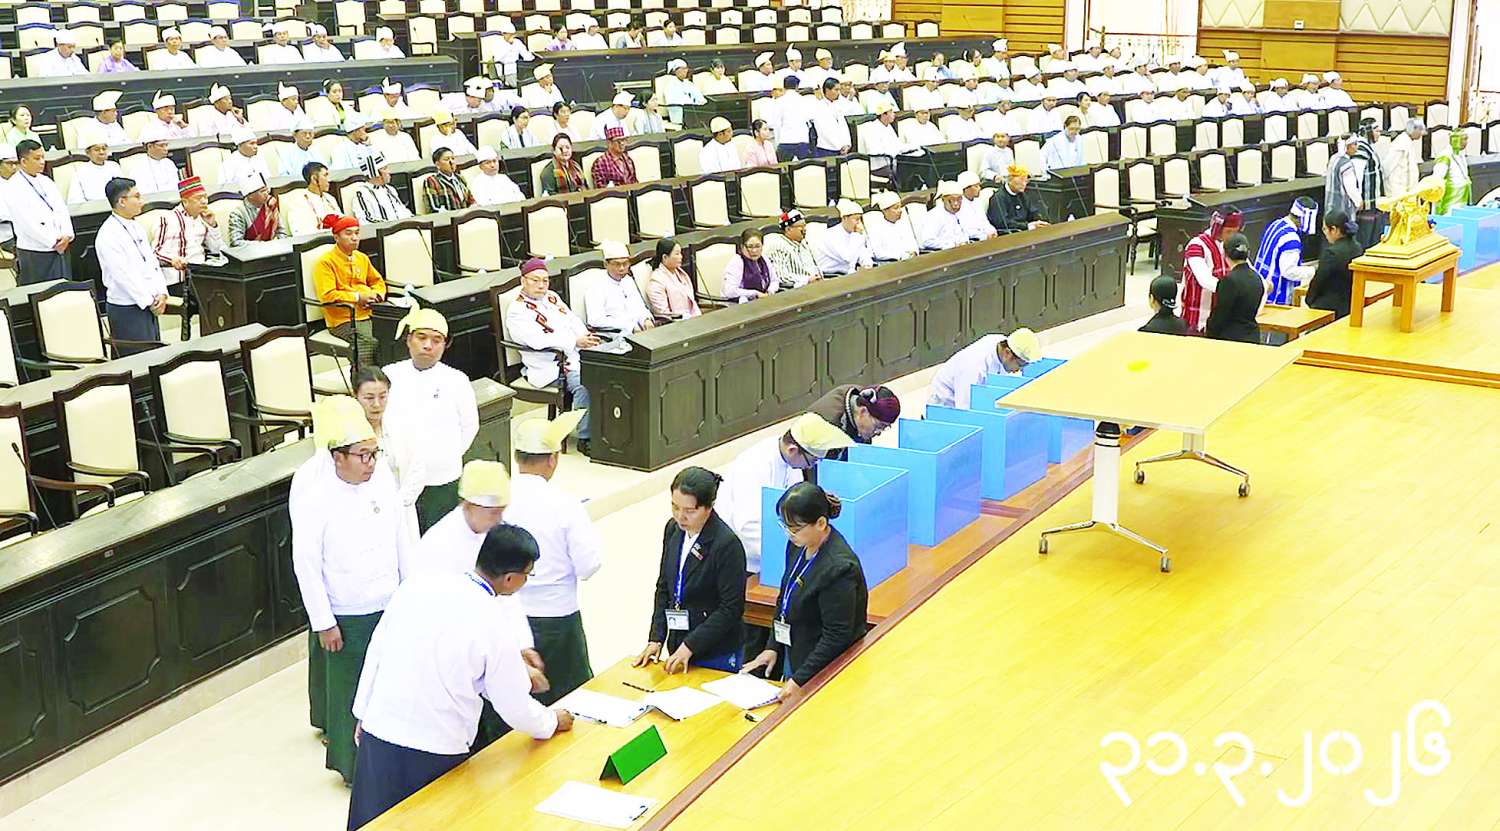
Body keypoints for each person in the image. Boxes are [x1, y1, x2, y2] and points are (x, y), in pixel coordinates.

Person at [347, 520, 570, 829]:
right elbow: (513, 706)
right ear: (510, 579)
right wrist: (551, 721)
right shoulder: (494, 622)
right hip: (434, 747)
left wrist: (362, 713)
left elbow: (377, 650)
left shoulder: (417, 586)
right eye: (527, 575)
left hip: (381, 729)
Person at [290, 395, 407, 786]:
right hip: (348, 609)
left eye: (374, 453)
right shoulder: (315, 496)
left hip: (388, 600)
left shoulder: (383, 481)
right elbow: (306, 565)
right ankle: (352, 766)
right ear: (337, 457)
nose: (370, 463)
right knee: (349, 693)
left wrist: (409, 594)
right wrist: (324, 621)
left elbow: (402, 541)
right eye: (362, 456)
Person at [505, 411, 602, 702]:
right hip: (558, 617)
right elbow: (589, 565)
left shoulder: (498, 500)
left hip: (508, 614)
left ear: (517, 457)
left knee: (516, 699)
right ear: (552, 459)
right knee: (572, 699)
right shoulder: (565, 505)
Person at [741, 482, 868, 698]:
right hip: (797, 653)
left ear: (820, 523)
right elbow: (785, 599)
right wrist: (773, 646)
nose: (789, 534)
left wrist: (800, 679)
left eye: (795, 528)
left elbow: (836, 636)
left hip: (826, 669)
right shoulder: (798, 545)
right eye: (785, 526)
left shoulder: (839, 568)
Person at [633, 467, 747, 674]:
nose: (680, 517)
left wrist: (690, 646)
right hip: (678, 644)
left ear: (708, 507)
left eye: (690, 511)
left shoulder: (727, 545)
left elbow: (730, 609)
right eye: (675, 507)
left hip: (715, 651)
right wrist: (656, 638)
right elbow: (664, 587)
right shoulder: (673, 529)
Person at [718, 413, 853, 573]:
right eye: (812, 461)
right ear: (793, 450)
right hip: (744, 559)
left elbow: (796, 506)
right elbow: (749, 527)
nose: (811, 467)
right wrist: (789, 556)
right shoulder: (754, 467)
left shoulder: (790, 460)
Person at [383, 308, 478, 534]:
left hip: (441, 477)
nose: (428, 345)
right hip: (399, 475)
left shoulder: (457, 380)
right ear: (409, 340)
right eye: (421, 337)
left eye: (436, 340)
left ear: (445, 345)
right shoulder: (390, 375)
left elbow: (470, 426)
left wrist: (445, 455)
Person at [506, 259, 597, 451]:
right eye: (535, 280)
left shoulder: (552, 297)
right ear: (523, 281)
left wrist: (585, 337)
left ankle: (605, 431)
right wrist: (574, 341)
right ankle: (585, 438)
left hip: (576, 354)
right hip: (550, 364)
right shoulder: (517, 311)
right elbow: (536, 341)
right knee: (586, 383)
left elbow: (573, 320)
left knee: (610, 372)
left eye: (545, 281)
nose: (541, 285)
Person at [96, 177, 166, 351]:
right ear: (122, 201)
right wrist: (149, 300)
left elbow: (152, 263)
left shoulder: (136, 226)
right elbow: (123, 275)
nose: (142, 201)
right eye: (137, 196)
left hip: (150, 302)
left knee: (155, 355)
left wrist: (161, 293)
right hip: (127, 307)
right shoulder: (108, 234)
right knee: (138, 359)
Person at [151, 176, 223, 336]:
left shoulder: (203, 219)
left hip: (200, 277)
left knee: (226, 295)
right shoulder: (167, 219)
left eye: (205, 197)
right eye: (198, 198)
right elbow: (154, 253)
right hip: (178, 281)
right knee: (212, 299)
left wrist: (212, 225)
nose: (204, 201)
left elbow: (217, 250)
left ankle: (216, 337)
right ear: (185, 201)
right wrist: (173, 260)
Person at [312, 214, 385, 366]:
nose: (354, 238)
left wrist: (376, 295)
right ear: (336, 237)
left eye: (357, 233)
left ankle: (386, 375)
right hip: (343, 319)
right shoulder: (325, 262)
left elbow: (377, 281)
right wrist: (358, 298)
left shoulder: (362, 258)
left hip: (370, 311)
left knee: (393, 333)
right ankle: (363, 378)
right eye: (348, 233)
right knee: (369, 341)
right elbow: (327, 295)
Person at [7, 140, 73, 284]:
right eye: (37, 158)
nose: (42, 162)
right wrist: (53, 241)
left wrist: (67, 234)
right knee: (43, 292)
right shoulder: (13, 187)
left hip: (61, 244)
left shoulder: (46, 181)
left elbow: (61, 209)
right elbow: (26, 223)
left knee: (65, 287)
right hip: (36, 250)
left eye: (43, 157)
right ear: (24, 161)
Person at [926, 328, 1041, 409]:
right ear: (1007, 353)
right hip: (946, 409)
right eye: (1020, 365)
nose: (1018, 370)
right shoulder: (973, 367)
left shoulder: (1002, 343)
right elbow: (964, 410)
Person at [1179, 207, 1243, 333]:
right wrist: (1233, 291)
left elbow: (1245, 269)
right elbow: (1205, 280)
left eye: (1235, 232)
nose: (1232, 237)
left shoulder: (1230, 246)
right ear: (1217, 228)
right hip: (1197, 320)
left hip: (1220, 320)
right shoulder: (1196, 246)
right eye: (1229, 232)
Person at [1254, 197, 1319, 305]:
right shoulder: (1291, 239)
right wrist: (1313, 271)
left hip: (1261, 285)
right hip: (1277, 295)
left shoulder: (1276, 224)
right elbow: (1288, 271)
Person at [1204, 233, 1266, 344]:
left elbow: (1220, 315)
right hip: (1252, 336)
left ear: (1224, 254)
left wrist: (1209, 333)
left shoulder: (1228, 281)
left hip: (1230, 340)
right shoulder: (1257, 278)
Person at [586, 240, 655, 335]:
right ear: (606, 264)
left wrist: (646, 319)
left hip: (639, 332)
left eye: (625, 264)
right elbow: (595, 320)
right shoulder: (596, 287)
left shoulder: (628, 280)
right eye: (617, 264)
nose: (622, 268)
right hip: (615, 334)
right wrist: (629, 326)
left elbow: (639, 306)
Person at [1305, 209, 1363, 318]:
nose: (1325, 233)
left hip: (1330, 307)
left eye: (1325, 229)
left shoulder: (1331, 253)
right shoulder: (1358, 248)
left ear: (1334, 230)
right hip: (1351, 304)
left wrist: (1309, 300)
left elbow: (1319, 281)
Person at [809, 384, 901, 450]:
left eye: (885, 427)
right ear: (863, 411)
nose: (878, 433)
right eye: (878, 426)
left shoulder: (864, 399)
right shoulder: (827, 425)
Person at [763, 210, 824, 289]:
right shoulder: (779, 245)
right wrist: (807, 280)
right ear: (788, 229)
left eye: (805, 226)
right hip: (798, 289)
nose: (805, 229)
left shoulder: (803, 243)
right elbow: (782, 276)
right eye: (801, 227)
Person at [348, 152, 413, 224]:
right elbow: (366, 220)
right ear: (376, 173)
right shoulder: (362, 193)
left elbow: (404, 212)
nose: (389, 172)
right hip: (384, 230)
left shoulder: (390, 189)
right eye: (385, 169)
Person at [645, 238, 700, 319]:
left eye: (680, 253)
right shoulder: (656, 280)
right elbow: (663, 313)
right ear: (665, 257)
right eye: (677, 254)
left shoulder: (681, 273)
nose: (681, 257)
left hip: (693, 317)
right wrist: (685, 317)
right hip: (677, 322)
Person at [228, 173, 288, 245]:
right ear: (250, 196)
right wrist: (262, 246)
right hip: (250, 251)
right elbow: (235, 242)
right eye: (262, 191)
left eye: (266, 190)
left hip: (273, 249)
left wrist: (277, 245)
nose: (267, 193)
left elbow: (282, 232)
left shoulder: (270, 204)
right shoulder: (238, 213)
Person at [816, 199, 873, 276]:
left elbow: (863, 253)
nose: (858, 223)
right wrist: (858, 237)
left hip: (848, 275)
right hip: (830, 275)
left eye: (860, 219)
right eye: (856, 219)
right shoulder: (831, 235)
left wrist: (867, 265)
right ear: (844, 218)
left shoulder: (856, 234)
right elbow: (846, 258)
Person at [66, 129, 124, 204]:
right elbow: (74, 199)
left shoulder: (114, 166)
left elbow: (125, 190)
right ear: (88, 153)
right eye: (97, 150)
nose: (101, 152)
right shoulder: (81, 171)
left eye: (104, 149)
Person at [987, 164, 1047, 234]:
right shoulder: (998, 198)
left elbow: (1032, 212)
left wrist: (1039, 221)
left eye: (1026, 181)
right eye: (1021, 180)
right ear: (1010, 179)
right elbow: (1002, 223)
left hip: (1025, 231)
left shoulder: (1022, 195)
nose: (1024, 184)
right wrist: (1027, 226)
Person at [724, 228, 779, 302]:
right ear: (742, 247)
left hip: (765, 300)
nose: (754, 250)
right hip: (742, 303)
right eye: (750, 247)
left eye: (758, 246)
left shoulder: (764, 259)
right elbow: (729, 291)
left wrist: (770, 291)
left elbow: (774, 281)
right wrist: (754, 293)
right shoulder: (737, 262)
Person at [288, 161, 342, 236]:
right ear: (314, 179)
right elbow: (300, 232)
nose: (328, 180)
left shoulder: (330, 198)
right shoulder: (298, 202)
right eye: (325, 176)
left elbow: (342, 220)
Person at [768, 77, 814, 161]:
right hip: (802, 140)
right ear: (797, 86)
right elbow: (809, 120)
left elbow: (775, 123)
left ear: (784, 87)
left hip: (785, 141)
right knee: (803, 168)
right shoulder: (805, 101)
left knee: (784, 168)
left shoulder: (778, 102)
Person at [866, 191, 919, 262]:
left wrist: (914, 251)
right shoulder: (876, 228)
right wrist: (900, 255)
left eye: (900, 207)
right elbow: (877, 253)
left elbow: (913, 242)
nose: (900, 211)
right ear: (885, 211)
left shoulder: (904, 223)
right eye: (896, 208)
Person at [218, 127, 272, 194]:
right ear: (240, 145)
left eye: (256, 143)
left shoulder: (260, 158)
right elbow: (224, 188)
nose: (256, 146)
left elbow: (268, 180)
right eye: (252, 143)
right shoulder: (229, 162)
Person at [918, 181, 969, 252]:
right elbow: (927, 241)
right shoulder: (933, 216)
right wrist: (951, 244)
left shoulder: (961, 212)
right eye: (952, 200)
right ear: (943, 199)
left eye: (959, 199)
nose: (956, 204)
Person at [1324, 134, 1363, 227]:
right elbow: (1350, 188)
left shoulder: (1333, 158)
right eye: (1354, 144)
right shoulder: (1346, 164)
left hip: (1330, 205)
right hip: (1342, 207)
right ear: (1347, 146)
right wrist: (1358, 201)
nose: (1357, 147)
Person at [1381, 119, 1426, 197]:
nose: (1421, 134)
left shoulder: (1407, 141)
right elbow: (1387, 166)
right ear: (1413, 129)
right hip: (1397, 189)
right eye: (1420, 130)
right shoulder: (1400, 143)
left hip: (1405, 189)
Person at [423, 147, 475, 213]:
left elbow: (470, 200)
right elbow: (433, 208)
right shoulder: (431, 181)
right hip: (447, 217)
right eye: (446, 159)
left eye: (453, 158)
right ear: (437, 164)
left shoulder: (460, 178)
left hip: (465, 215)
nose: (451, 162)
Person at [810, 79, 852, 157]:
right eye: (836, 90)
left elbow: (843, 127)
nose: (838, 93)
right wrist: (838, 145)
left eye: (839, 90)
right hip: (825, 148)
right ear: (827, 90)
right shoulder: (819, 107)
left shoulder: (838, 105)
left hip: (841, 149)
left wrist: (846, 144)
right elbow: (824, 130)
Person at [1433, 131, 1471, 215]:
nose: (1466, 142)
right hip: (1449, 197)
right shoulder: (1445, 156)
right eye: (1463, 139)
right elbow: (1437, 178)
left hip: (1461, 196)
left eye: (1466, 139)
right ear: (1456, 140)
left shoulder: (1460, 155)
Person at [955, 171, 996, 241]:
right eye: (976, 186)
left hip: (987, 238)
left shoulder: (978, 202)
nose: (979, 188)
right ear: (966, 188)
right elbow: (966, 230)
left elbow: (984, 221)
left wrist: (992, 231)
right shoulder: (959, 205)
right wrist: (984, 236)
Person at [491, 22, 533, 87]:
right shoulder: (498, 43)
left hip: (518, 69)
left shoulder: (517, 42)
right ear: (503, 34)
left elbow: (526, 55)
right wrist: (509, 45)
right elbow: (498, 58)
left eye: (512, 34)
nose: (511, 36)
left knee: (531, 80)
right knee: (520, 84)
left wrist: (531, 59)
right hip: (505, 70)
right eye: (509, 34)